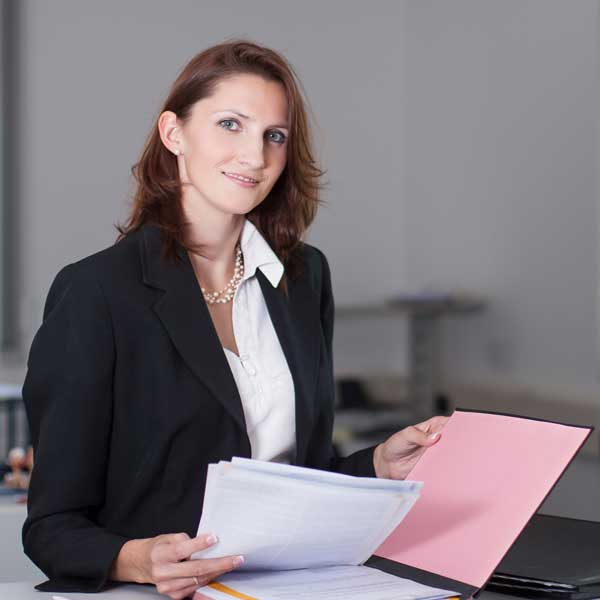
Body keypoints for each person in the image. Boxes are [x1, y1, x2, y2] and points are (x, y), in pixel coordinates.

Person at [21, 39, 448, 600]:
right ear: (173, 134)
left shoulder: (303, 278)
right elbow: (52, 527)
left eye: (274, 135)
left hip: (290, 588)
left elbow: (297, 478)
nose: (255, 156)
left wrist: (375, 466)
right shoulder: (96, 291)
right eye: (230, 124)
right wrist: (136, 559)